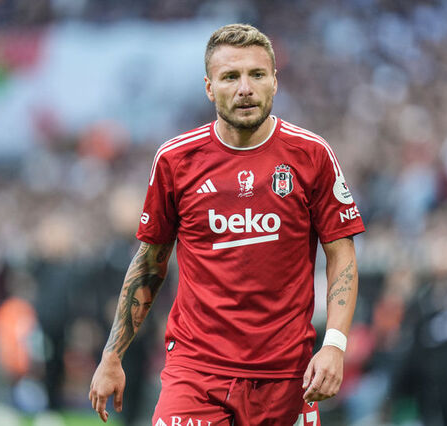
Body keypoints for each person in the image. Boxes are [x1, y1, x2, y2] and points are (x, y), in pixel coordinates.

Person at [89, 23, 365, 425]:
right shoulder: (176, 161)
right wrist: (112, 356)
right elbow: (150, 263)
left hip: (286, 375)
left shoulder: (312, 155)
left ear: (275, 81)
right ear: (209, 87)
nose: (245, 88)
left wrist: (335, 344)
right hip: (196, 371)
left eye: (257, 74)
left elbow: (342, 253)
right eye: (231, 76)